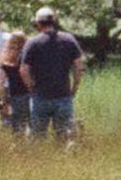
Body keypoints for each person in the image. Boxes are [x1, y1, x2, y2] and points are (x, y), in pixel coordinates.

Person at [17, 8, 84, 139]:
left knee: (37, 137)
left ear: (38, 23)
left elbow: (23, 69)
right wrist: (75, 86)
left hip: (40, 96)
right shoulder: (69, 39)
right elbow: (79, 66)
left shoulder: (32, 42)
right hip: (63, 95)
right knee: (65, 136)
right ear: (54, 22)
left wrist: (30, 87)